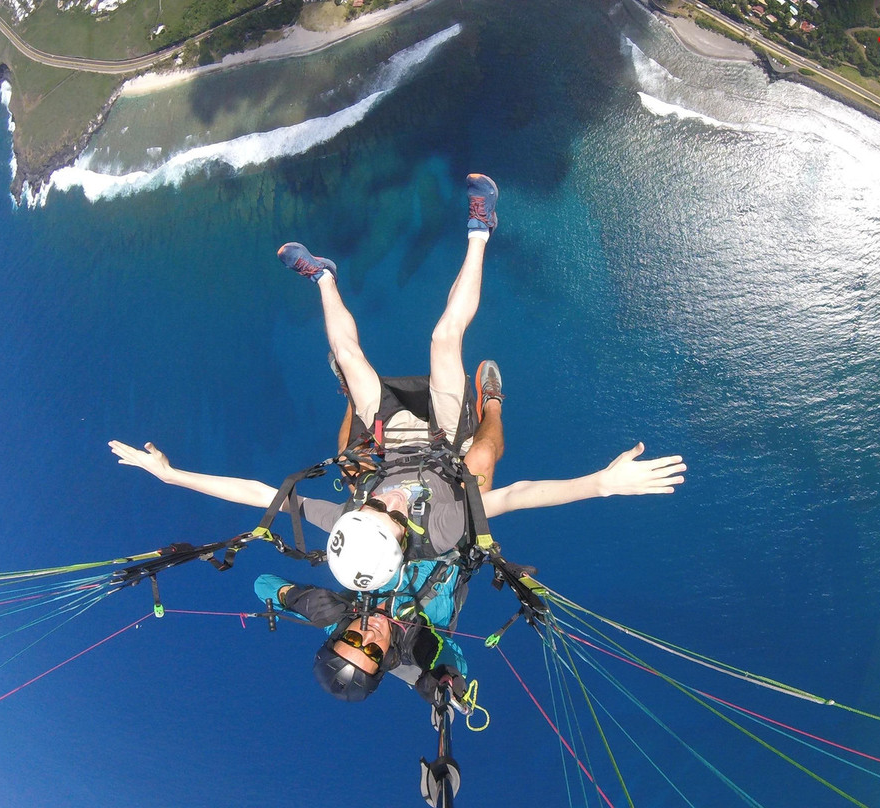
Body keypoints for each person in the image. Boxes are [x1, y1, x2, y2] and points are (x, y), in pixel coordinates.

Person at [109, 173, 687, 703]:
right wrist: (603, 484)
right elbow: (519, 497)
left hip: (388, 447)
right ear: (384, 659)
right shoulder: (424, 600)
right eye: (370, 650)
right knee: (449, 355)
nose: (366, 635)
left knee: (350, 375)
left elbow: (258, 500)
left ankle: (325, 278)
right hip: (443, 448)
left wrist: (174, 476)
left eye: (349, 639)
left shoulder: (342, 568)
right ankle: (482, 244)